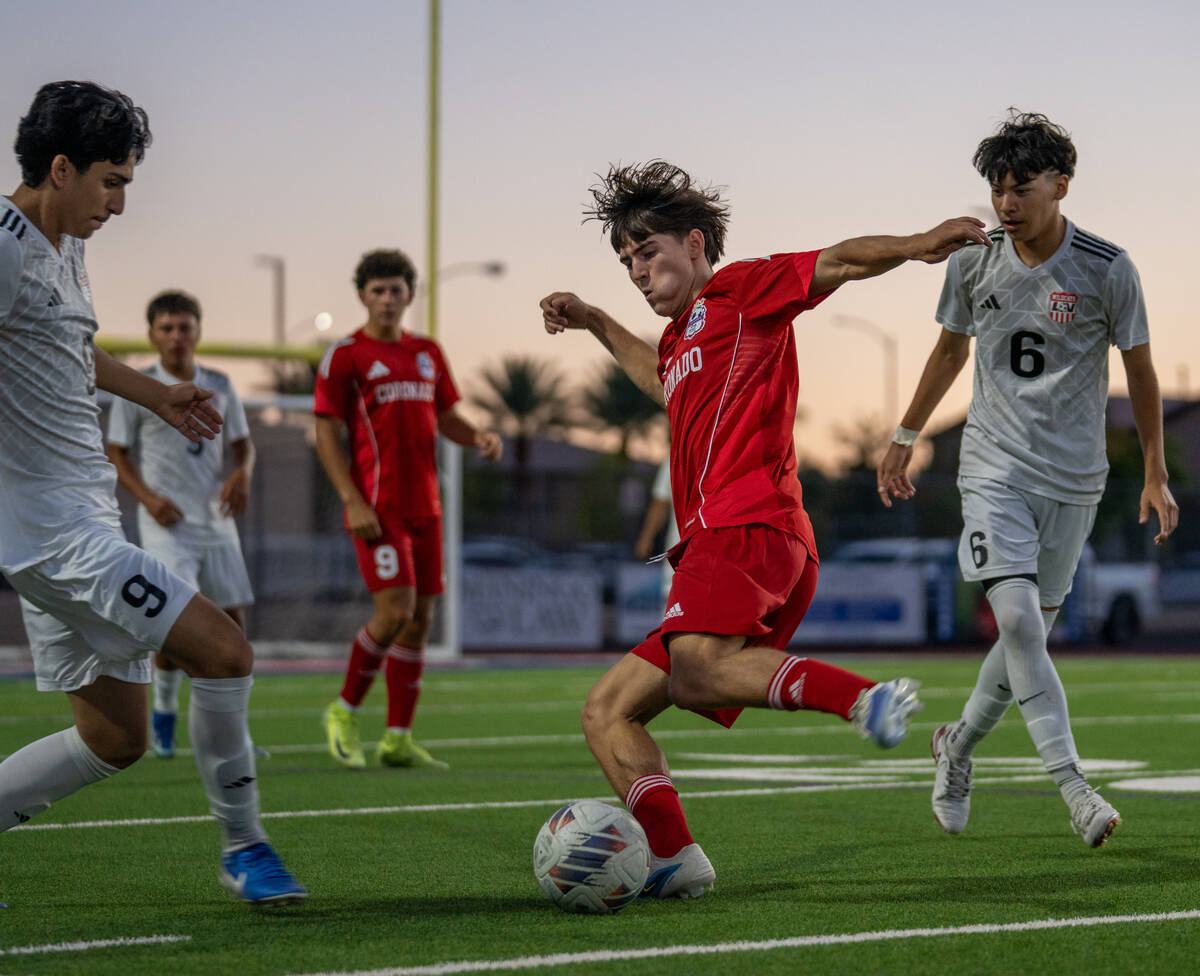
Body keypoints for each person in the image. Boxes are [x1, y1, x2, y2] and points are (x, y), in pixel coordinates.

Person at [539, 160, 986, 899]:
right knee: (607, 712)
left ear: (694, 242)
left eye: (647, 251)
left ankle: (863, 698)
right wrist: (593, 320)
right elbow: (658, 378)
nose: (637, 270)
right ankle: (676, 857)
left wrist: (914, 242)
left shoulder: (740, 290)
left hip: (749, 528)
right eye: (626, 262)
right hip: (734, 543)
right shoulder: (684, 343)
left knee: (695, 673)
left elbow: (836, 261)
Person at [0, 81, 305, 905]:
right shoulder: (3, 245)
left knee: (114, 738)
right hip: (60, 537)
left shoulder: (59, 243)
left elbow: (64, 349)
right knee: (225, 651)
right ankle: (245, 848)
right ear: (60, 168)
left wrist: (155, 393)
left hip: (74, 524)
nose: (121, 203)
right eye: (113, 181)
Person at [876, 111, 1178, 848]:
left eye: (1020, 188)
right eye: (996, 189)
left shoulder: (1109, 268)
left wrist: (1156, 473)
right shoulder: (973, 261)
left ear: (1060, 186)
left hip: (1074, 481)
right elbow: (949, 351)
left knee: (1027, 640)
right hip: (993, 469)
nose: (1005, 204)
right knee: (1014, 623)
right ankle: (1075, 790)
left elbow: (1140, 373)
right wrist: (905, 436)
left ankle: (956, 747)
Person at [315, 248, 502, 770]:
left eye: (397, 289)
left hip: (427, 506)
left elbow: (447, 418)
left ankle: (397, 738)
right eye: (378, 290)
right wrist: (352, 498)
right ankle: (343, 711)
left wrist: (479, 436)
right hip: (378, 506)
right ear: (362, 296)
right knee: (393, 613)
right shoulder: (345, 355)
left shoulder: (427, 352)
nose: (388, 299)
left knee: (420, 620)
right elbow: (325, 431)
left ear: (409, 295)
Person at [106, 289, 257, 760]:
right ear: (151, 333)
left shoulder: (221, 384)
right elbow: (116, 452)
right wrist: (148, 499)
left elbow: (243, 446)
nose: (176, 336)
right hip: (166, 524)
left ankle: (234, 734)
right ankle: (165, 716)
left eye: (184, 326)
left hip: (215, 521)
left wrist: (241, 474)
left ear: (198, 330)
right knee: (177, 623)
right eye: (166, 328)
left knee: (233, 625)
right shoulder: (139, 387)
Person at [634, 458, 677, 604]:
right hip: (682, 554)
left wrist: (646, 538)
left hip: (686, 556)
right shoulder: (675, 458)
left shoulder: (675, 456)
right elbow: (661, 502)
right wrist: (646, 538)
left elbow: (660, 503)